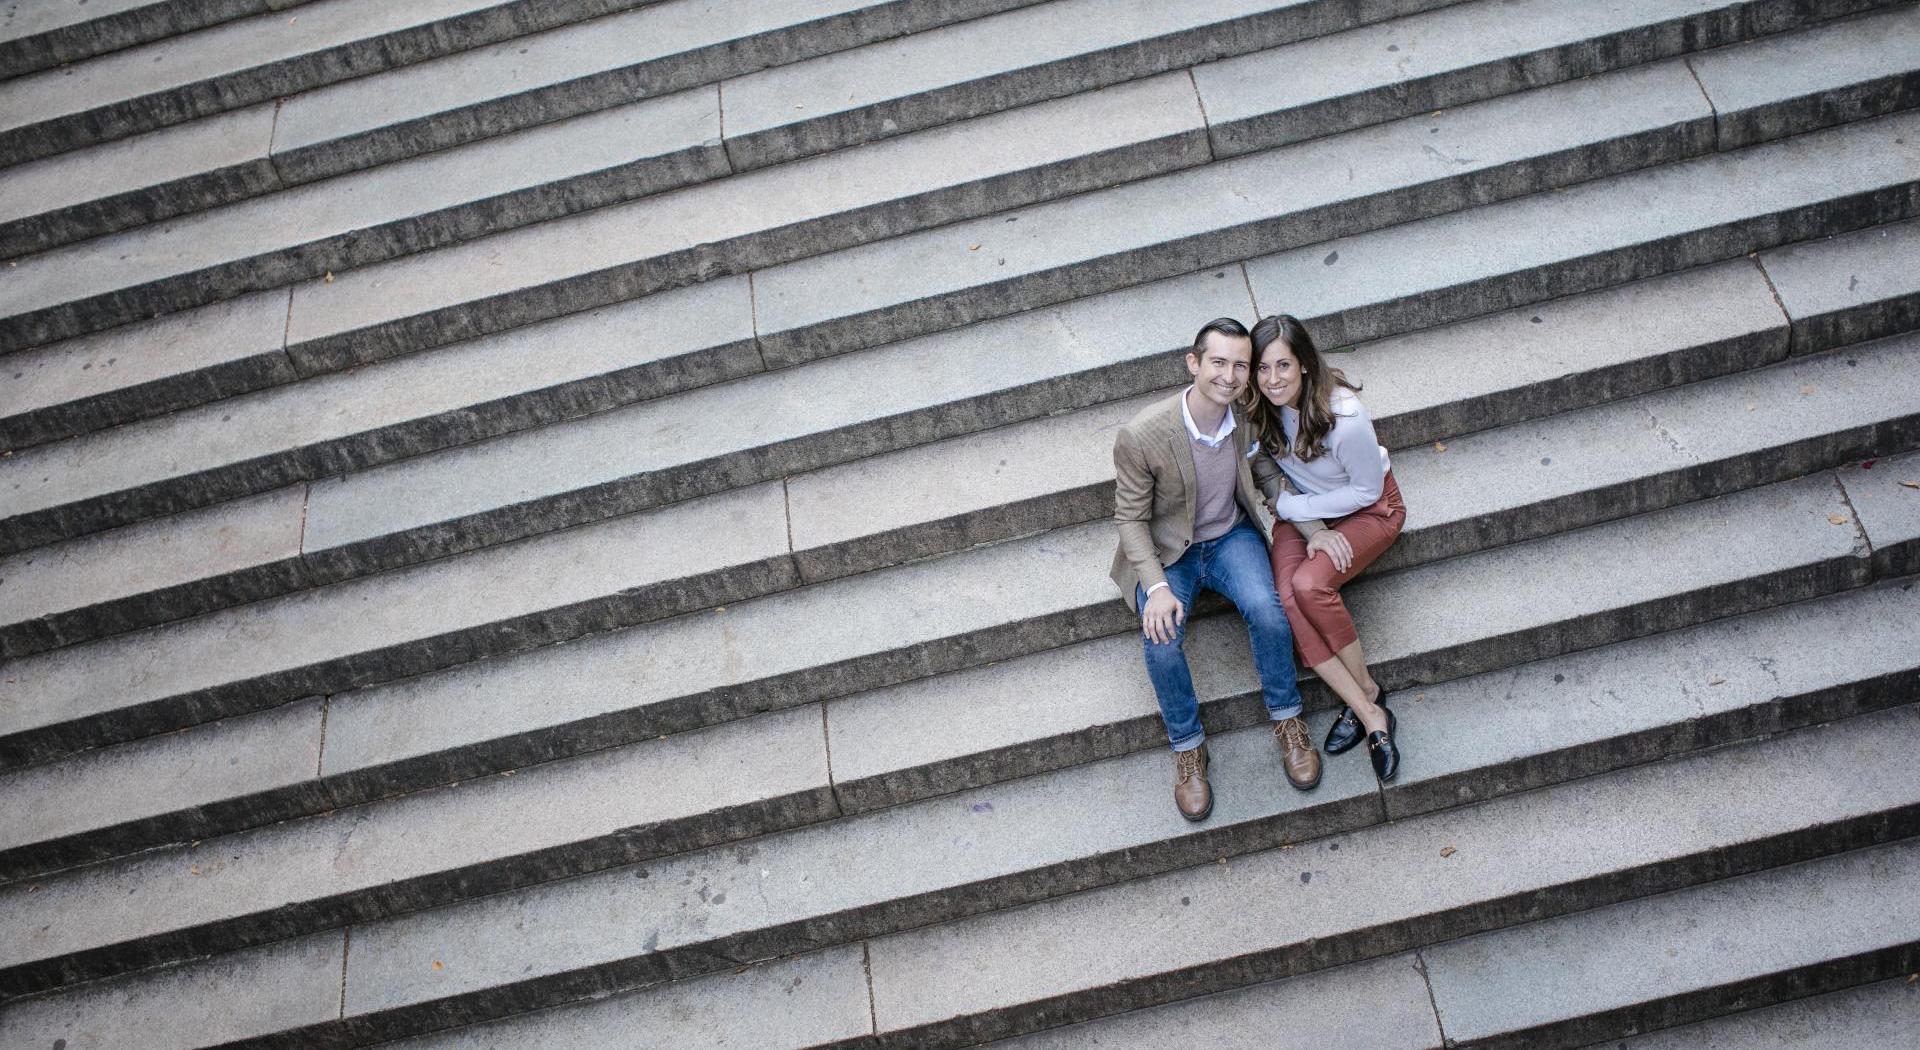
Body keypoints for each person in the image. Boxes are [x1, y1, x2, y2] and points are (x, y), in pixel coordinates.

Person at [1110, 317, 1337, 821]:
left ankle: (1288, 720)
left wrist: (1314, 529)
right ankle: (1188, 748)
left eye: (1240, 365)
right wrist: (1157, 586)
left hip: (1231, 537)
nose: (1229, 376)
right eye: (1218, 362)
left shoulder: (1248, 413)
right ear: (1193, 363)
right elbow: (1129, 519)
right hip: (1170, 552)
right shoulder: (1143, 434)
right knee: (1161, 638)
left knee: (1269, 609)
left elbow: (1265, 473)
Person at [1243, 314, 1407, 781]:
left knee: (1310, 585)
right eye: (1262, 368)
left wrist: (1296, 507)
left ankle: (1366, 701)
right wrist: (1310, 523)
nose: (1273, 380)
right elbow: (1266, 472)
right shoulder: (1258, 407)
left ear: (1304, 364)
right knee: (1286, 596)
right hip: (1306, 513)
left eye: (1283, 366)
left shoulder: (1345, 417)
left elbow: (1366, 490)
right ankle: (1369, 704)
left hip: (1371, 508)